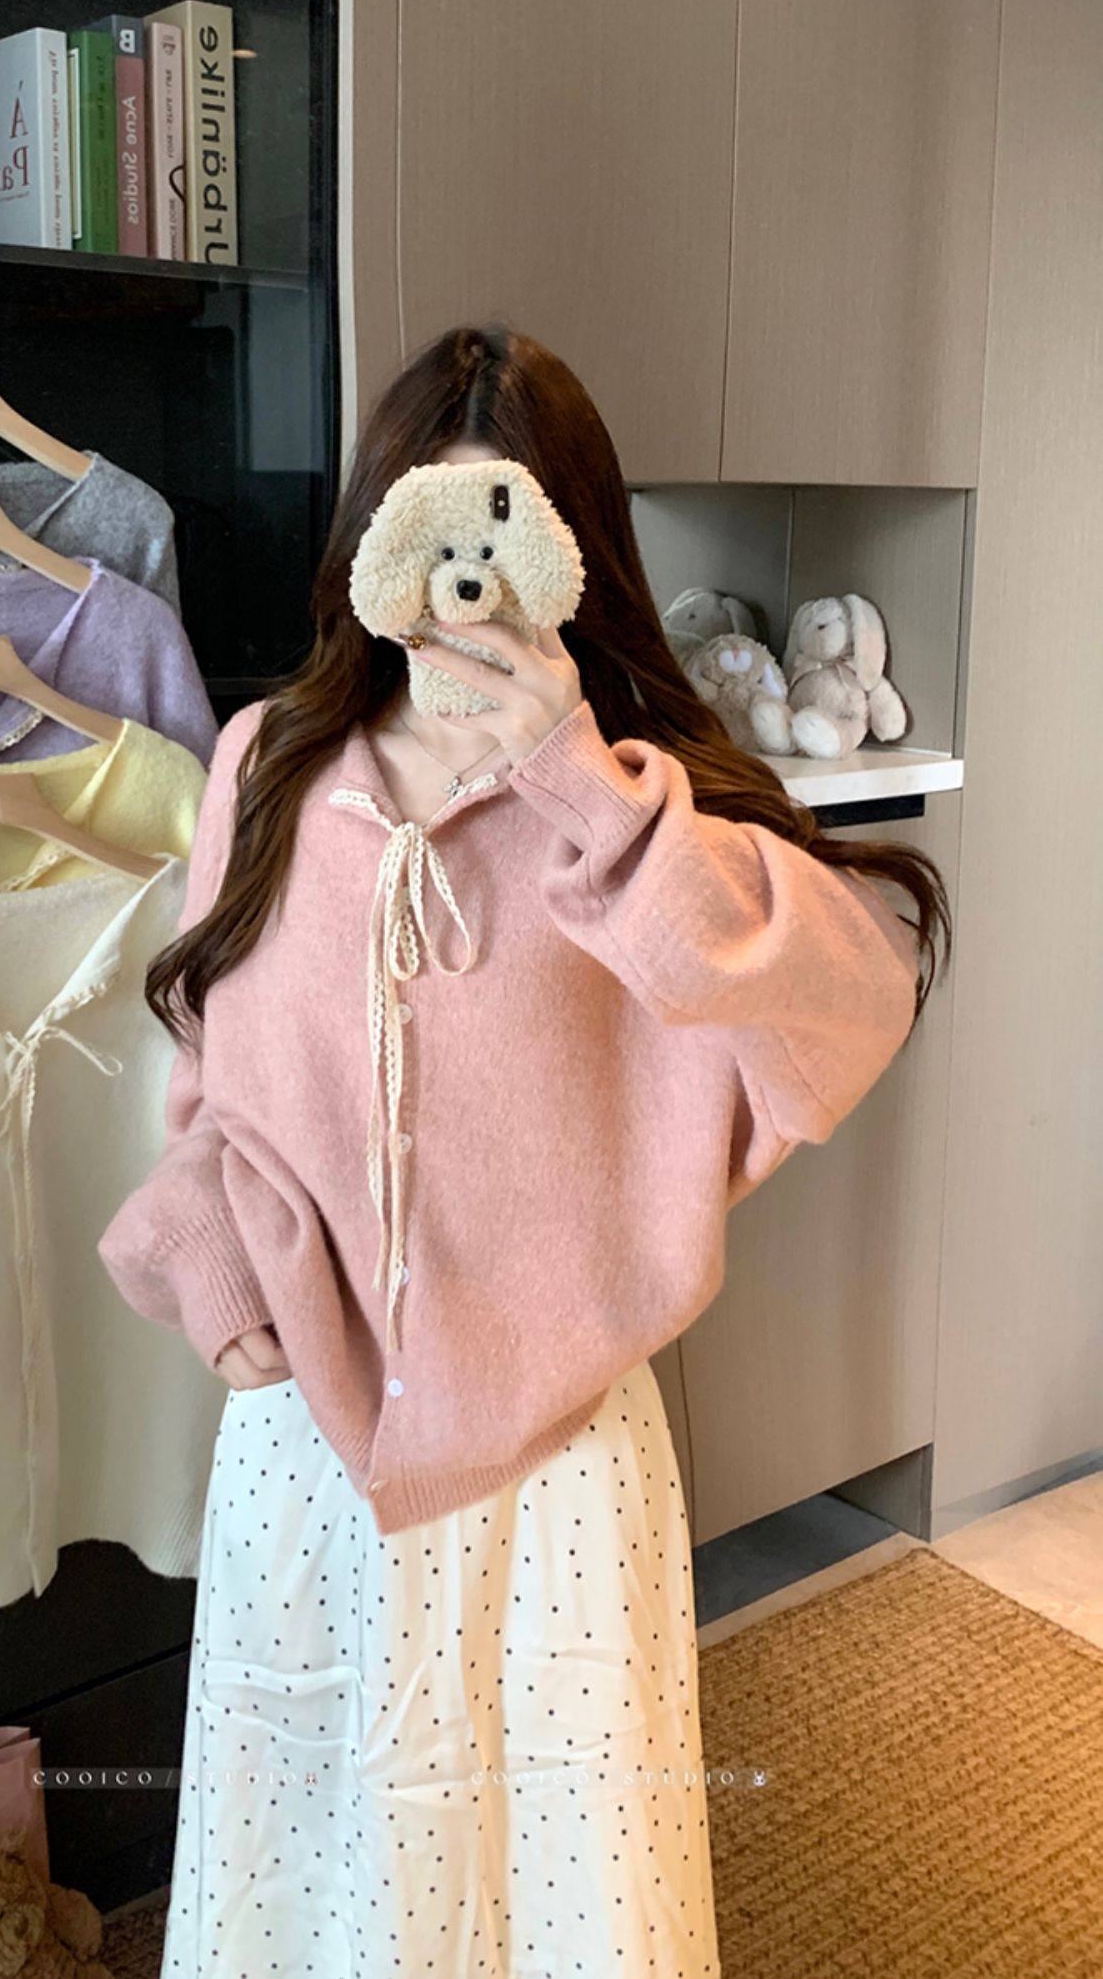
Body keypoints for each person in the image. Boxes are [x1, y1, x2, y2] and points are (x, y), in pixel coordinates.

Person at [100, 324, 951, 1978]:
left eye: (507, 527)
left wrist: (584, 790)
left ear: (576, 554)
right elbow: (207, 1087)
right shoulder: (269, 769)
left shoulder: (645, 807)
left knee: (567, 1905)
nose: (464, 583)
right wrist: (211, 1267)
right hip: (309, 1458)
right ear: (374, 537)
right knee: (312, 1897)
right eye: (431, 526)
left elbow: (855, 1000)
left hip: (562, 1474)